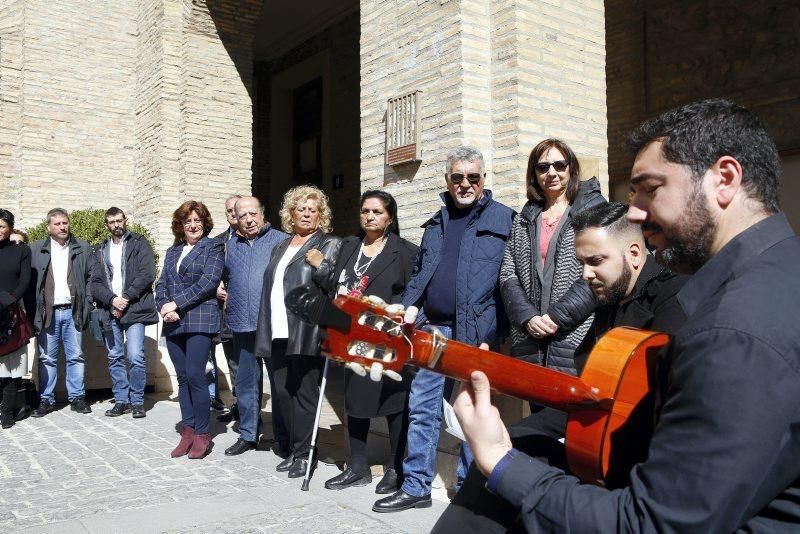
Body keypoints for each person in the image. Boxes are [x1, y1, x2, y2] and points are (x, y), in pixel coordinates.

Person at [442, 99, 800, 531]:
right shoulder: (780, 270)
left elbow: (649, 523)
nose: (632, 211)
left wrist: (499, 460)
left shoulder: (733, 331)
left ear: (724, 179)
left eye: (650, 188)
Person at [434, 201, 688, 530]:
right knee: (517, 441)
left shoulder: (675, 298)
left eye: (596, 261)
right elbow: (587, 385)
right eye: (582, 262)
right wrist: (492, 373)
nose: (585, 274)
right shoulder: (610, 295)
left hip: (643, 456)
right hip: (596, 422)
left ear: (635, 253)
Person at [372, 146, 515, 513]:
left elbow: (508, 283)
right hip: (431, 329)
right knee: (421, 407)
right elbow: (422, 272)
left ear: (484, 179)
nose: (465, 183)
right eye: (457, 177)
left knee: (472, 412)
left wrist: (491, 332)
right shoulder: (437, 222)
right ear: (447, 180)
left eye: (473, 177)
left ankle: (470, 491)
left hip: (475, 332)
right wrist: (411, 309)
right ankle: (417, 485)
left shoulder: (505, 220)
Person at [322, 190, 419, 493]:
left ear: (390, 217)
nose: (370, 217)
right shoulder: (349, 246)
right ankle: (358, 466)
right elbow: (335, 283)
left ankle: (396, 468)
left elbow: (412, 294)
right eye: (365, 211)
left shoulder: (404, 251)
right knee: (356, 400)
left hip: (388, 338)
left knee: (393, 402)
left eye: (377, 212)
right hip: (353, 338)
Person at [254, 185, 341, 479]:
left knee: (305, 395)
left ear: (321, 216)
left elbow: (336, 286)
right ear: (291, 213)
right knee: (283, 393)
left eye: (312, 209)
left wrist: (322, 266)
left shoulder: (329, 244)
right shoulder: (281, 245)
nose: (306, 213)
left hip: (306, 331)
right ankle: (294, 448)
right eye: (301, 208)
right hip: (276, 329)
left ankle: (305, 454)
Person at [499, 138, 605, 376]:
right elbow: (508, 272)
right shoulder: (525, 218)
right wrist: (527, 317)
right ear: (534, 173)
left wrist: (557, 317)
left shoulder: (591, 211)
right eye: (543, 167)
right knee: (539, 409)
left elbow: (599, 270)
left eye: (559, 165)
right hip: (531, 338)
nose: (552, 172)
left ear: (571, 168)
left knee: (572, 411)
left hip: (575, 335)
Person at [156, 200, 224, 459]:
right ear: (180, 225)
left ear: (204, 223)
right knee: (182, 378)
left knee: (196, 375)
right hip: (173, 320)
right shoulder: (173, 252)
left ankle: (203, 434)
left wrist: (177, 303)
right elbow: (161, 283)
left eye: (197, 220)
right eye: (188, 221)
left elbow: (209, 282)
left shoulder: (213, 247)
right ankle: (188, 430)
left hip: (200, 319)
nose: (193, 225)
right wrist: (164, 306)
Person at [222, 196, 288, 456]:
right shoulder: (229, 245)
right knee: (247, 384)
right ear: (235, 219)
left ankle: (284, 437)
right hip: (240, 323)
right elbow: (222, 276)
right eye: (242, 216)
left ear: (262, 213)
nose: (248, 220)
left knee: (279, 383)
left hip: (272, 324)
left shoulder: (281, 241)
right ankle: (248, 435)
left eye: (253, 214)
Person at [89, 207, 158, 419]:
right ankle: (121, 400)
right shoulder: (100, 249)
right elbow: (95, 282)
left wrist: (125, 298)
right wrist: (112, 301)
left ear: (125, 221)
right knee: (115, 356)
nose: (117, 224)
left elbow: (147, 274)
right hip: (110, 310)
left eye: (119, 220)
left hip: (134, 308)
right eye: (112, 222)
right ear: (106, 226)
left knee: (135, 355)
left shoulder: (139, 242)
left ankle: (137, 401)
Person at [29, 208, 94, 417]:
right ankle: (46, 400)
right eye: (57, 224)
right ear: (48, 226)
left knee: (76, 356)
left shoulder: (82, 248)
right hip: (48, 311)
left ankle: (77, 398)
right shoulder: (36, 249)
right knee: (47, 357)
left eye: (65, 223)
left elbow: (92, 278)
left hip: (73, 310)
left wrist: (89, 302)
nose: (62, 227)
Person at [0, 209, 32, 429]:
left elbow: (24, 281)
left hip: (12, 312)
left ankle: (7, 410)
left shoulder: (21, 251)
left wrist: (8, 300)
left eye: (2, 226)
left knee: (13, 367)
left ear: (10, 228)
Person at [214, 194, 242, 421]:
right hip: (225, 316)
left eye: (237, 209)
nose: (233, 214)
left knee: (248, 364)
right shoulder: (218, 241)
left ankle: (251, 410)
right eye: (229, 211)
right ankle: (239, 406)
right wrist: (215, 288)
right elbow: (209, 273)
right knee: (233, 363)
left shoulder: (257, 238)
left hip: (249, 315)